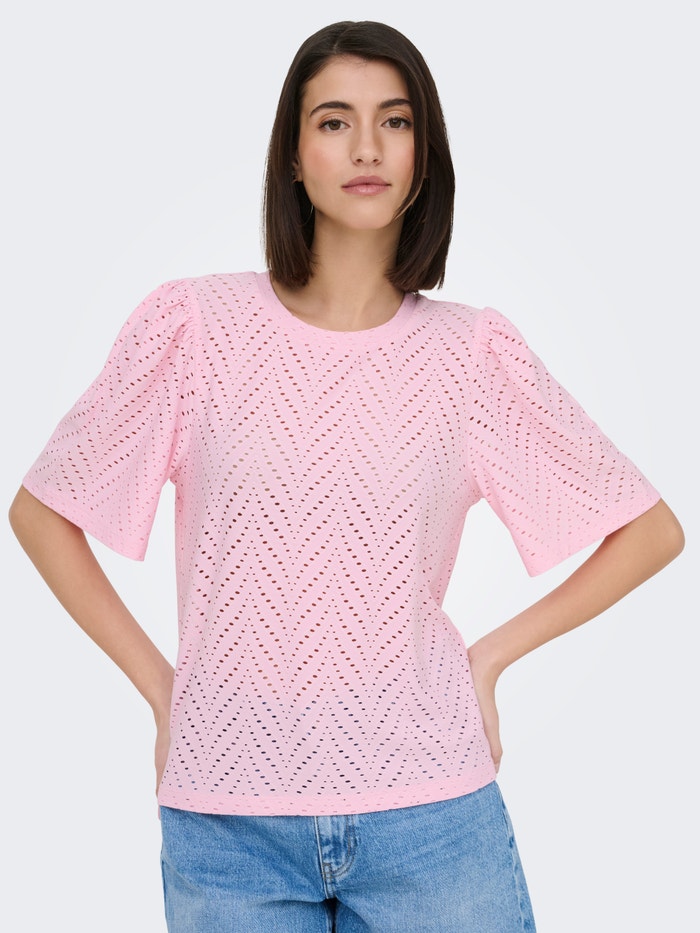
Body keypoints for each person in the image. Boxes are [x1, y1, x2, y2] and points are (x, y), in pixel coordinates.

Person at [9, 19, 683, 933]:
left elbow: (648, 531)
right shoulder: (195, 327)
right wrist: (164, 690)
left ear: (422, 155)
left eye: (394, 121)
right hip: (226, 821)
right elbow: (44, 510)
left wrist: (487, 659)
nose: (367, 147)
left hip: (433, 814)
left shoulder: (470, 353)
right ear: (293, 155)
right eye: (334, 121)